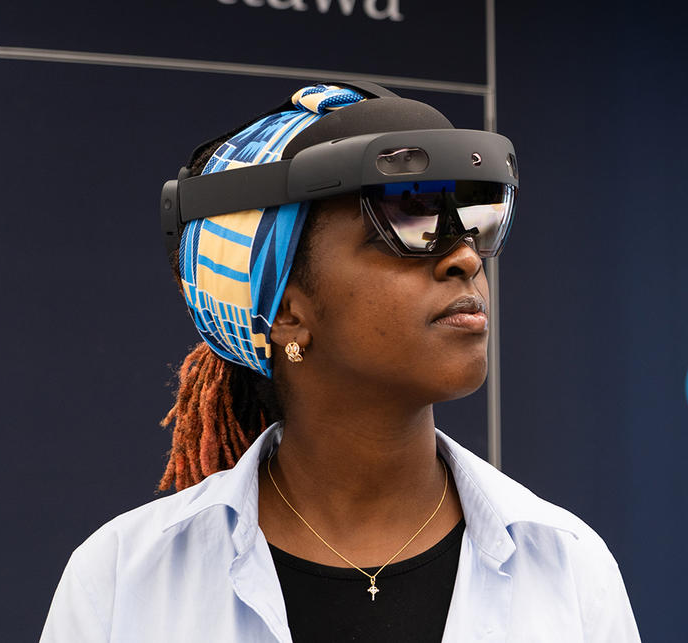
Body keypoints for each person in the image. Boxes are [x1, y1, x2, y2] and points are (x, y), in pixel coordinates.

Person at [40, 82, 641, 642]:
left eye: (475, 215)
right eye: (409, 214)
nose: (464, 257)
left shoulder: (569, 566)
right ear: (285, 313)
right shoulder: (122, 581)